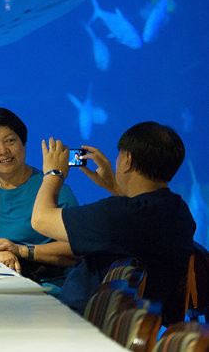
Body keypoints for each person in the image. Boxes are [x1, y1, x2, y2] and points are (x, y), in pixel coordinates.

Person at [32, 121, 196, 324]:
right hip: (127, 325)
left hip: (79, 326)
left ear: (128, 160)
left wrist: (53, 173)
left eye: (119, 155)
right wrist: (113, 186)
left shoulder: (118, 215)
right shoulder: (178, 211)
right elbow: (137, 220)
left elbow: (40, 220)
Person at [0, 107, 79, 276]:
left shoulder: (53, 186)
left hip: (47, 288)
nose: (3, 151)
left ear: (23, 142)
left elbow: (75, 249)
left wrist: (20, 250)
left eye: (10, 141)